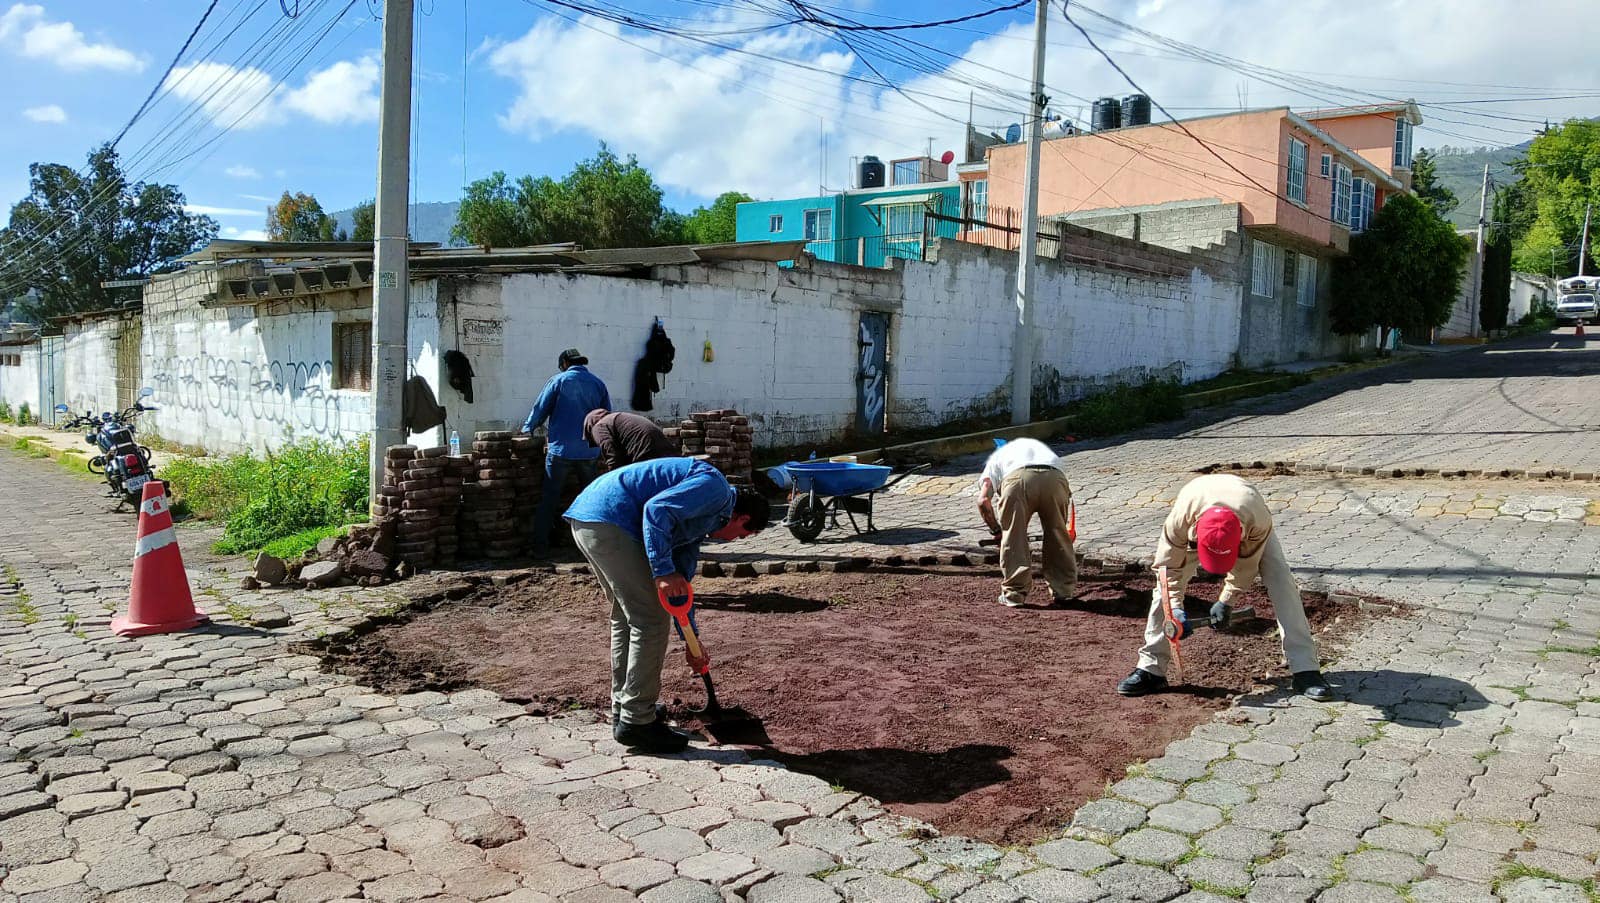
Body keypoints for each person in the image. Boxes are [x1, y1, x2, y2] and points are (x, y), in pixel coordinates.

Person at [565, 457, 772, 753]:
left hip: (591, 520)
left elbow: (680, 590)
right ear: (741, 518)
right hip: (610, 519)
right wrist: (662, 571)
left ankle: (626, 709)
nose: (732, 540)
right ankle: (637, 721)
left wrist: (692, 641)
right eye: (741, 535)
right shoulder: (716, 489)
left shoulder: (697, 524)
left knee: (628, 618)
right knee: (650, 621)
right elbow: (656, 509)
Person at [1117, 473, 1331, 701]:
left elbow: (1246, 568)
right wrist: (1175, 609)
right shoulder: (1180, 521)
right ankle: (1151, 668)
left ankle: (1305, 669)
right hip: (1195, 510)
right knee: (1164, 593)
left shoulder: (1257, 520)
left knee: (1282, 581)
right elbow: (1167, 570)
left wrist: (1226, 601)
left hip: (1248, 516)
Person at [522, 349, 611, 556]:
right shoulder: (598, 384)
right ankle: (595, 547)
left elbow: (540, 409)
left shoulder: (558, 381)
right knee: (591, 500)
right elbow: (606, 416)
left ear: (564, 362)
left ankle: (540, 547)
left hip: (560, 451)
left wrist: (528, 429)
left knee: (550, 499)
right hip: (589, 451)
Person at [976, 437, 1076, 608]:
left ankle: (1014, 594)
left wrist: (997, 532)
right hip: (1055, 479)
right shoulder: (1040, 448)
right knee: (1058, 535)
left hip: (1017, 481)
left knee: (1014, 537)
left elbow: (983, 501)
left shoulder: (996, 459)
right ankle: (1064, 591)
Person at [583, 408, 678, 473]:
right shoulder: (619, 418)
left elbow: (612, 456)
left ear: (588, 427)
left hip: (645, 453)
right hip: (666, 450)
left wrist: (613, 481)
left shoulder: (599, 426)